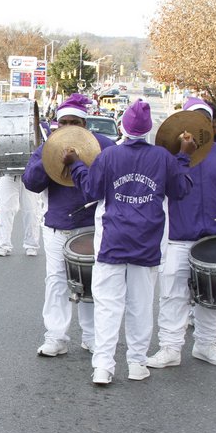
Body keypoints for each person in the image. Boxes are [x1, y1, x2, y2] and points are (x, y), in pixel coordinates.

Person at [65, 100, 195, 385]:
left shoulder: (109, 157)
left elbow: (90, 190)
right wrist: (184, 157)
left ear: (122, 127)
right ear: (149, 130)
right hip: (147, 244)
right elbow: (182, 189)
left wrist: (75, 165)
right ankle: (136, 364)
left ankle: (103, 366)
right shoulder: (163, 158)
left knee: (108, 306)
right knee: (141, 306)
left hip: (112, 240)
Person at [146, 100, 216, 374]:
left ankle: (206, 345)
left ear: (213, 126)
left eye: (203, 120)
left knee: (212, 296)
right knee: (173, 293)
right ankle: (170, 347)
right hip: (179, 236)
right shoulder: (169, 157)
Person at [23, 93, 115, 357]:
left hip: (91, 226)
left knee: (92, 282)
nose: (67, 127)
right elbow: (31, 182)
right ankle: (56, 337)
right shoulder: (46, 148)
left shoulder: (105, 147)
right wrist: (49, 159)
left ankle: (93, 336)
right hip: (57, 225)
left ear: (84, 125)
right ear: (56, 124)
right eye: (63, 123)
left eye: (74, 122)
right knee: (56, 281)